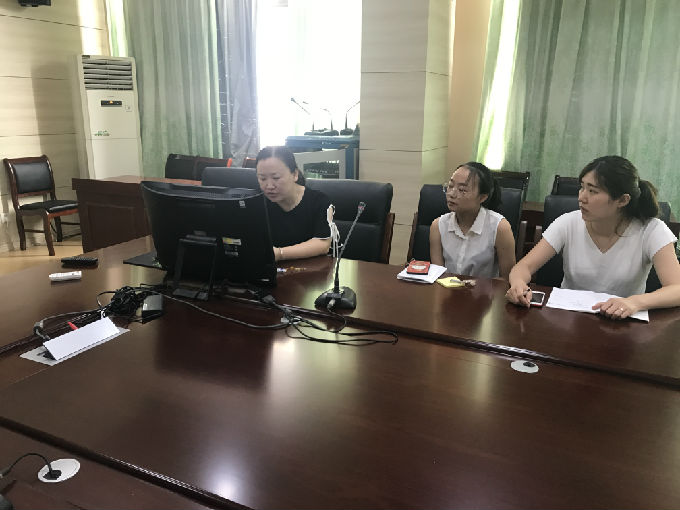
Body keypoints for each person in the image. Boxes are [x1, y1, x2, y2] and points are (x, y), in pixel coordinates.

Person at [507, 155, 680, 319]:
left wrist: (634, 302)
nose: (581, 197)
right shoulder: (568, 222)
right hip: (569, 319)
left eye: (592, 191)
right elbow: (524, 267)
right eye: (582, 187)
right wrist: (518, 284)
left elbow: (677, 289)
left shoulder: (651, 230)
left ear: (622, 200)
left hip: (624, 323)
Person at [429, 162, 516, 279]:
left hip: (485, 290)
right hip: (446, 289)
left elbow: (507, 278)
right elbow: (438, 274)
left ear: (482, 197)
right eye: (450, 186)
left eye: (462, 190)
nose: (451, 194)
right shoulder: (438, 226)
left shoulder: (499, 228)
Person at [255, 146, 332, 261]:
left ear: (295, 174)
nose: (269, 186)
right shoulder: (257, 201)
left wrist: (279, 253)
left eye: (276, 178)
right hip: (274, 269)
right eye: (262, 179)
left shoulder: (318, 201)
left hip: (314, 268)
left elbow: (322, 244)